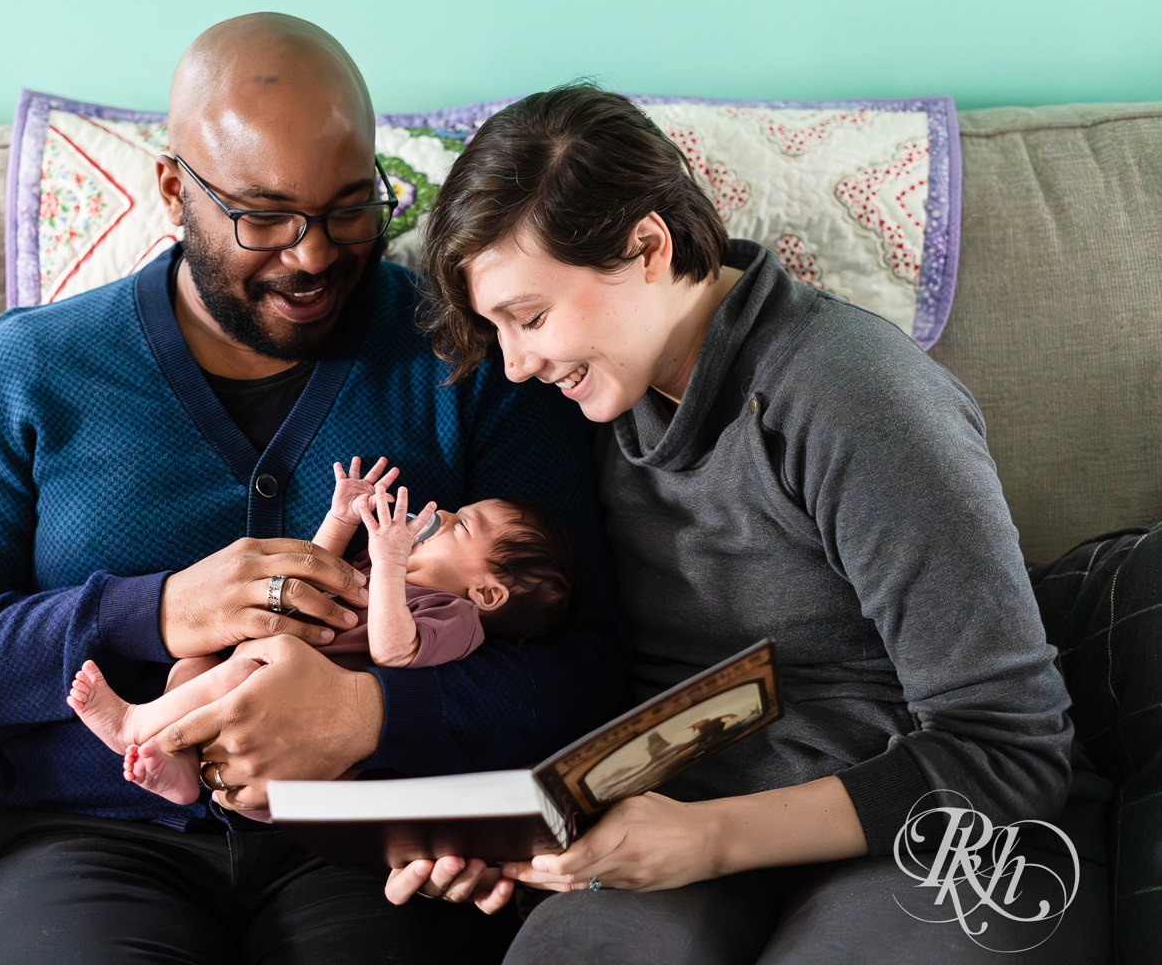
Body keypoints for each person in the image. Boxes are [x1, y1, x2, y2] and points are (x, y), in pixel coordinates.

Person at [0, 19, 626, 965]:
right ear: (175, 190)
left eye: (350, 209)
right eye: (264, 216)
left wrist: (371, 717)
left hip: (371, 848)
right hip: (93, 846)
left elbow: (593, 666)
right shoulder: (27, 371)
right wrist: (156, 611)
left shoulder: (472, 354)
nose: (311, 256)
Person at [389, 82, 1114, 962]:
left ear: (646, 245)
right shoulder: (598, 399)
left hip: (908, 822)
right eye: (496, 326)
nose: (517, 361)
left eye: (531, 318)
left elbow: (1010, 748)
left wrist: (714, 838)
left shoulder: (853, 396)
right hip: (668, 822)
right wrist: (502, 838)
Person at [67, 456, 576, 808]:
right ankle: (178, 775)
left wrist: (392, 560)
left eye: (461, 526)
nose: (442, 514)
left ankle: (132, 725)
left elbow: (395, 652)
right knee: (194, 665)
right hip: (248, 693)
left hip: (295, 743)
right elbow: (310, 575)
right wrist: (340, 516)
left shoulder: (456, 617)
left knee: (258, 660)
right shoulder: (375, 569)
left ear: (486, 594)